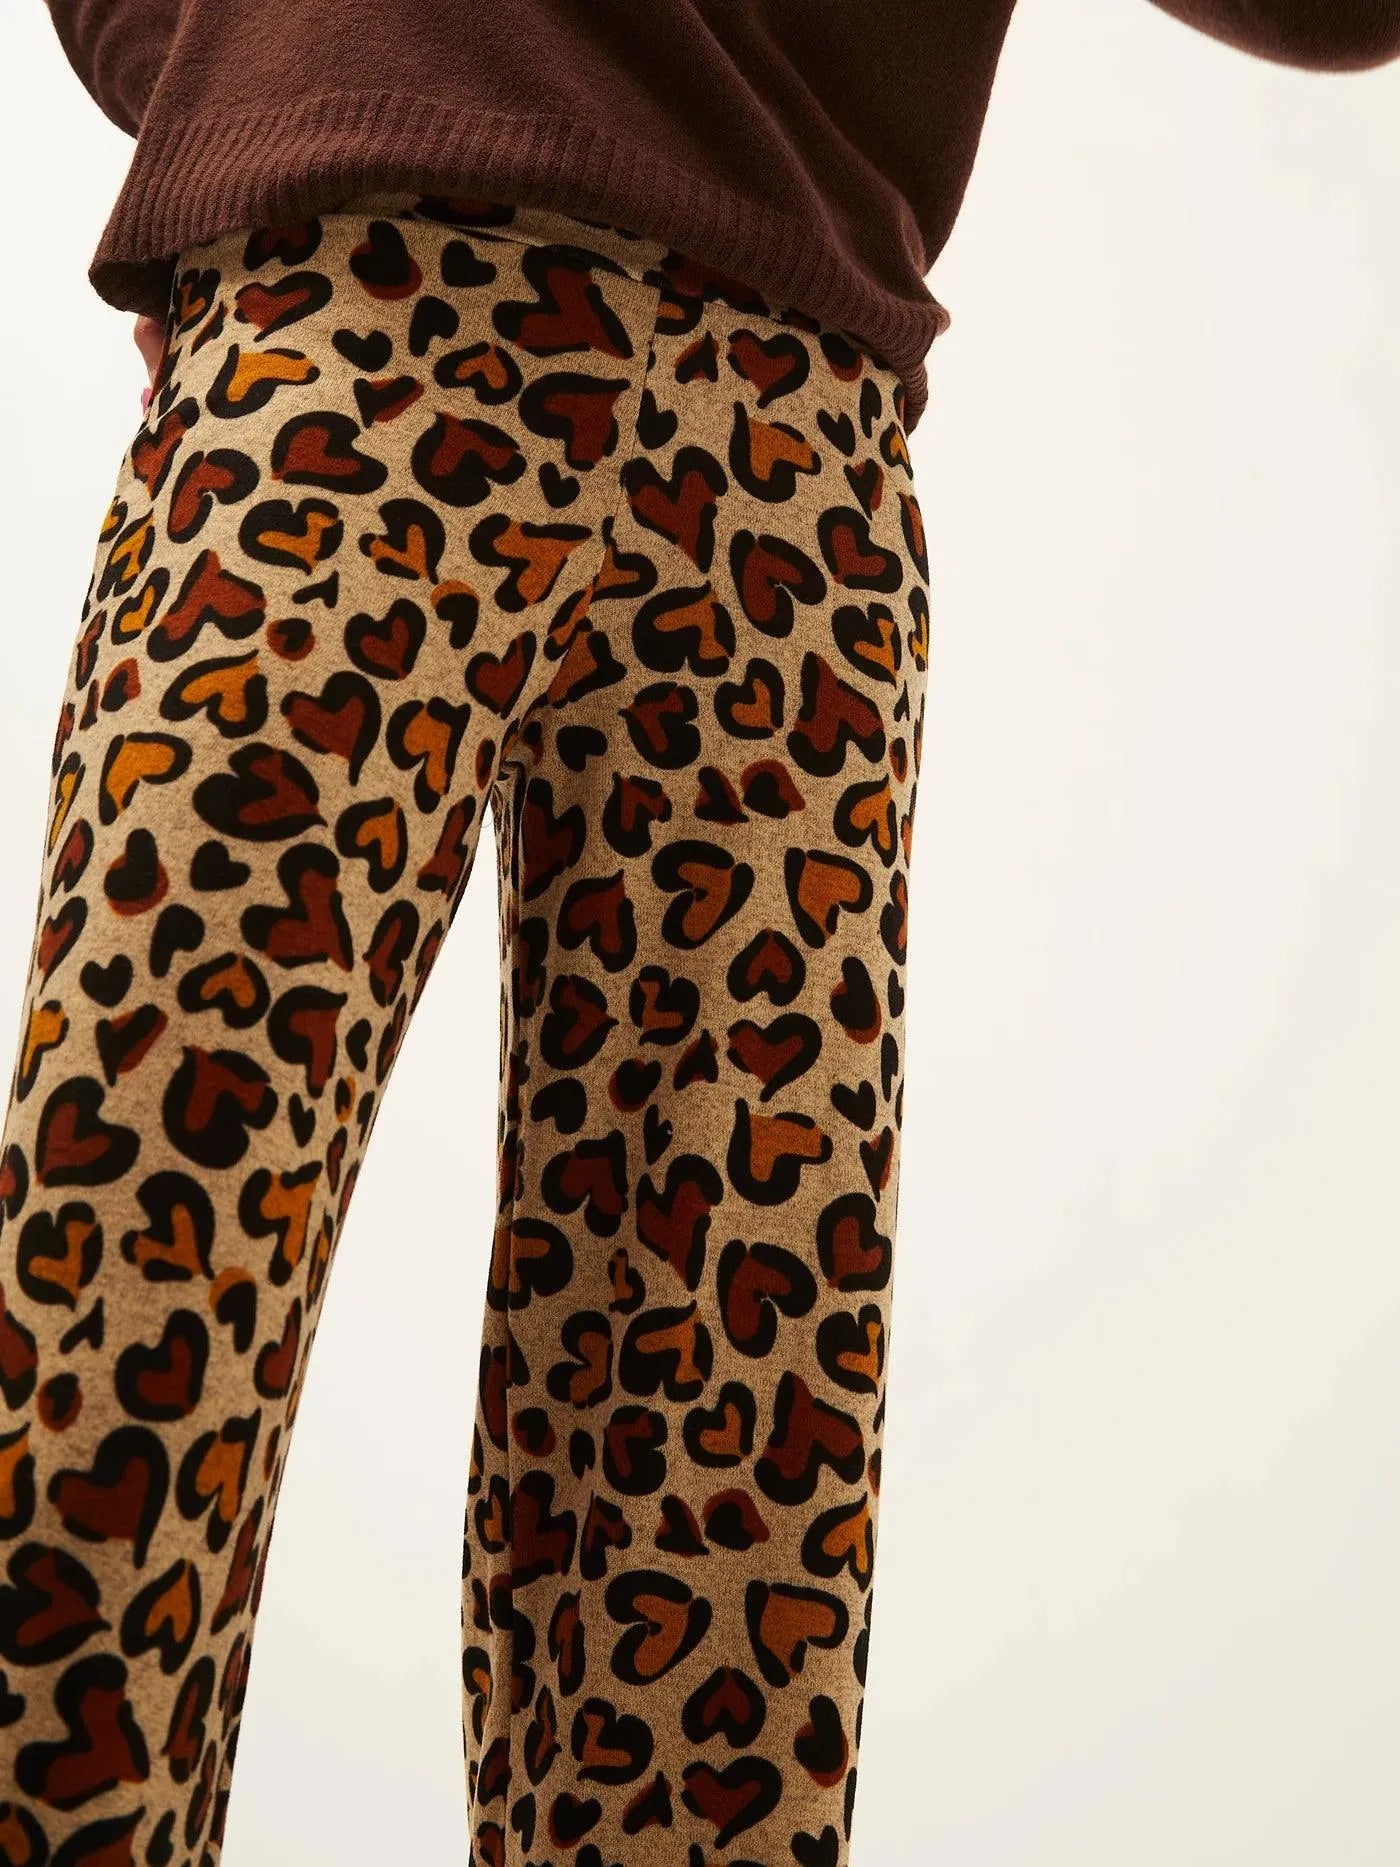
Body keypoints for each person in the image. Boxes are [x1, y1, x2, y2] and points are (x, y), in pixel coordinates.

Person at [3, 4, 1397, 1863]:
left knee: (722, 1508)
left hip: (789, 430)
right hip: (355, 305)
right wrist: (255, 82)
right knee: (115, 1299)